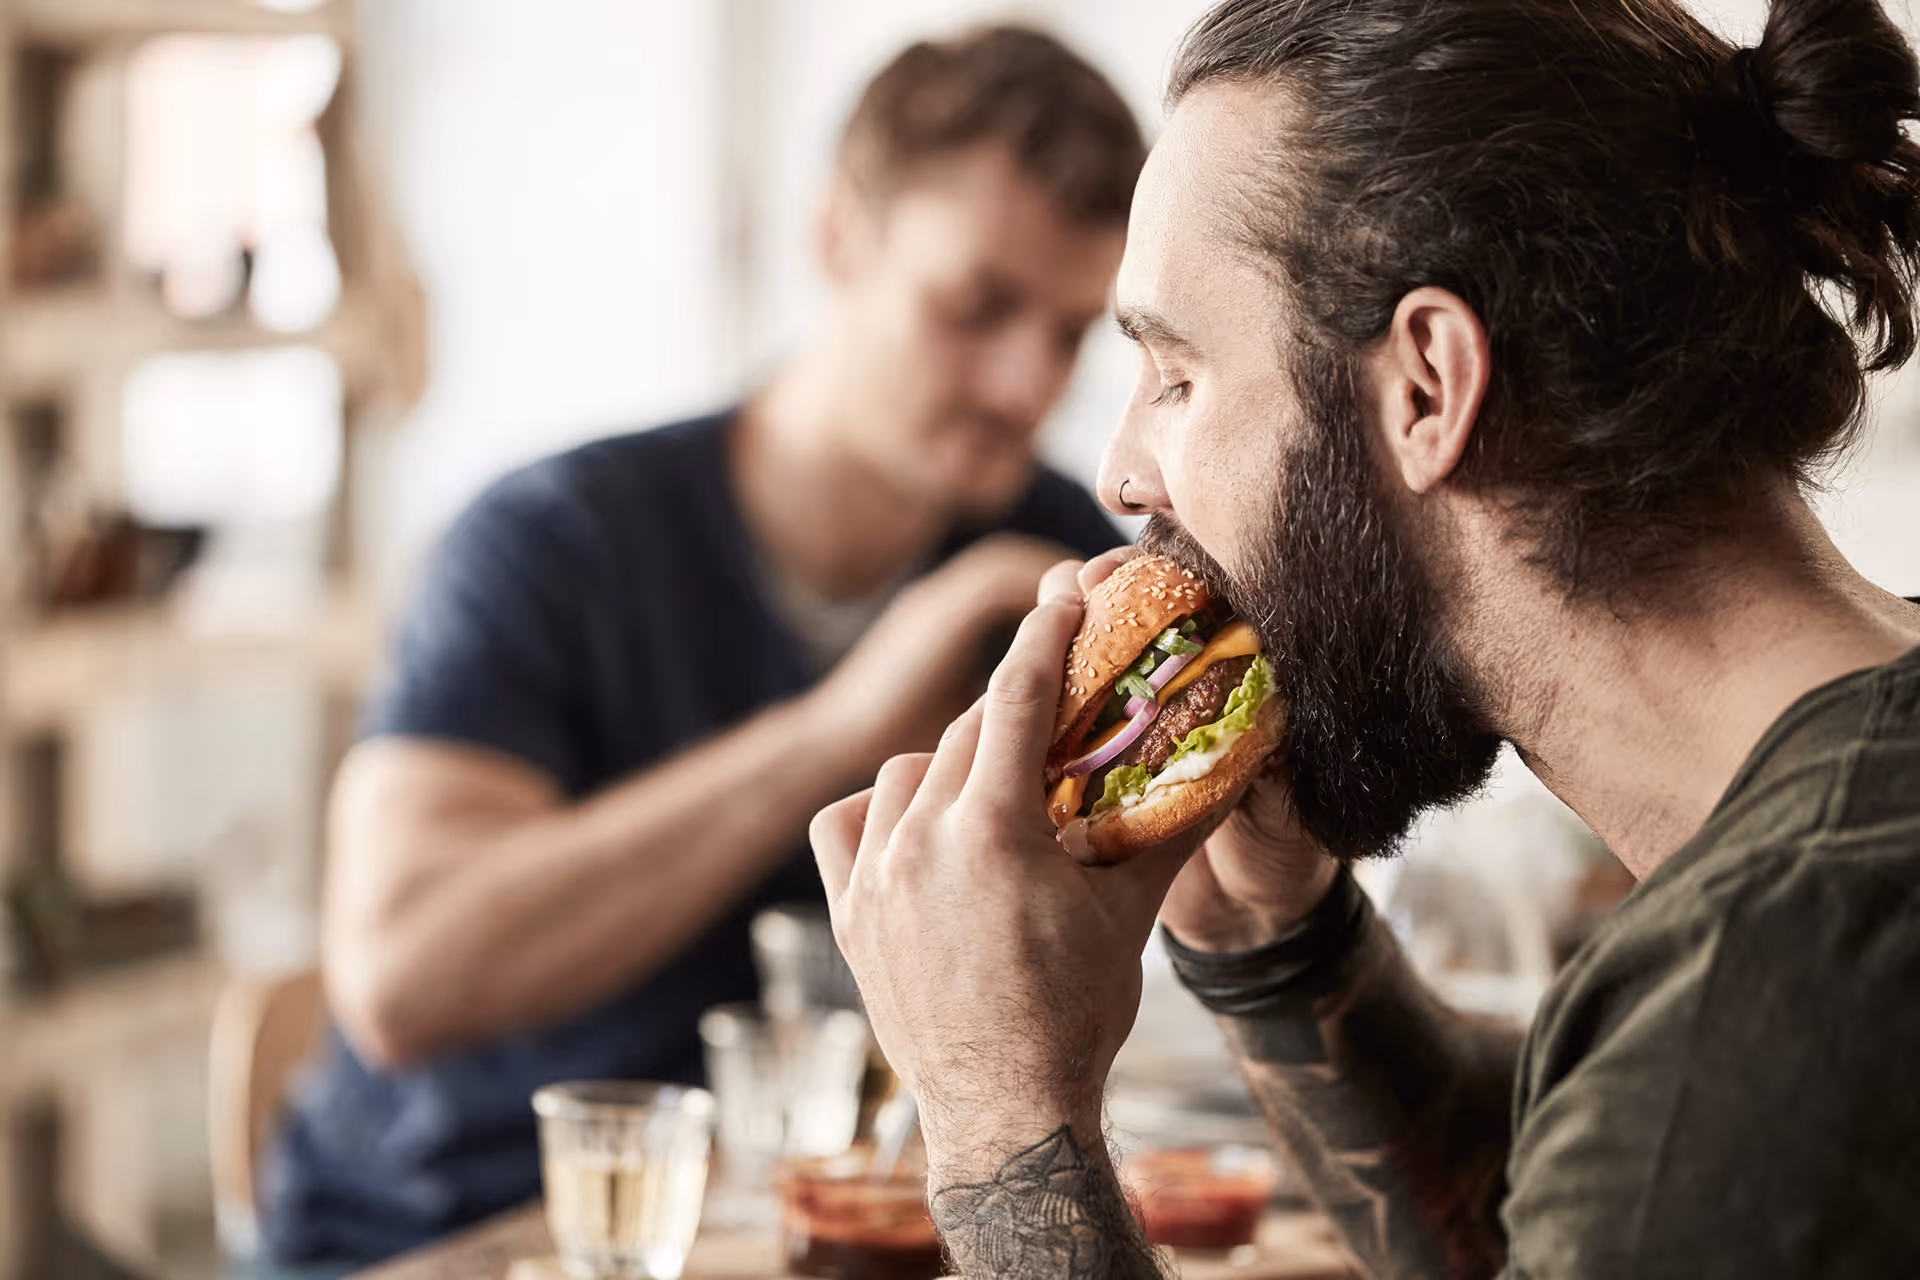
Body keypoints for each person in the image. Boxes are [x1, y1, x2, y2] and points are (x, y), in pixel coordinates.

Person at [810, 0, 1920, 1275]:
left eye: (1176, 376)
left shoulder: (1771, 1007)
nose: (1119, 472)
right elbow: (1574, 1200)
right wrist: (1274, 941)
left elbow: (1674, 1152)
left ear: (1428, 388)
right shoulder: (1815, 877)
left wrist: (1000, 1118)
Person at [257, 26, 1143, 1268]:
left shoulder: (1050, 543)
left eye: (1067, 333)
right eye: (977, 306)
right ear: (837, 236)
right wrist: (838, 727)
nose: (1024, 384)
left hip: (774, 1236)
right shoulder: (548, 541)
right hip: (443, 1230)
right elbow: (398, 978)